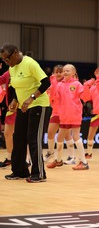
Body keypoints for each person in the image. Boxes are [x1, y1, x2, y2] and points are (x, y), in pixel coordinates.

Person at [1, 43, 50, 183]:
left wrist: (31, 98)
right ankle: (20, 171)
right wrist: (15, 100)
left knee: (33, 138)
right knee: (18, 137)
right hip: (23, 106)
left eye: (7, 58)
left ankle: (39, 173)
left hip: (39, 105)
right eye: (4, 60)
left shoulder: (30, 63)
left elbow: (46, 82)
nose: (6, 62)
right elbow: (15, 87)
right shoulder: (12, 68)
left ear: (16, 53)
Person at [48, 64, 89, 170]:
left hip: (74, 114)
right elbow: (53, 98)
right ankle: (58, 160)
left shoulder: (77, 84)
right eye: (64, 70)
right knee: (59, 137)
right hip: (64, 115)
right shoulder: (59, 85)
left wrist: (86, 87)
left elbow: (85, 98)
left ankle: (84, 162)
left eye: (68, 70)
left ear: (74, 73)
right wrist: (53, 85)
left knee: (76, 137)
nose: (65, 72)